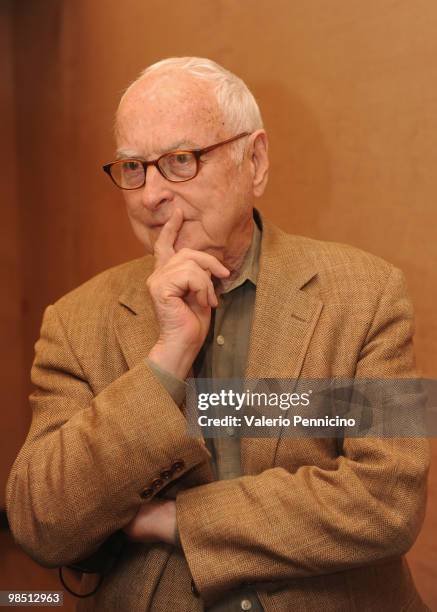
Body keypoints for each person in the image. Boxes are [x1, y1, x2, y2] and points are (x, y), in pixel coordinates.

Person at [6, 57, 430, 611]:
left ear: (253, 161)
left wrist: (179, 520)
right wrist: (166, 361)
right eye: (133, 168)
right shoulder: (76, 322)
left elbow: (389, 501)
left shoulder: (367, 292)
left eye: (180, 160)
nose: (150, 194)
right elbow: (43, 525)